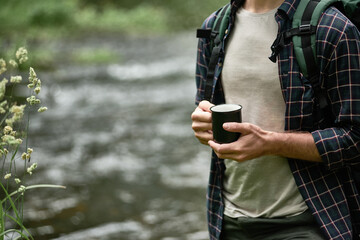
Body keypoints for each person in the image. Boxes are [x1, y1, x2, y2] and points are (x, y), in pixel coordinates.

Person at [191, 0, 360, 239]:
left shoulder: (333, 28)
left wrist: (272, 143)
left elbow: (355, 138)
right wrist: (201, 125)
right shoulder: (215, 27)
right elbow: (203, 108)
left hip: (308, 220)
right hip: (227, 220)